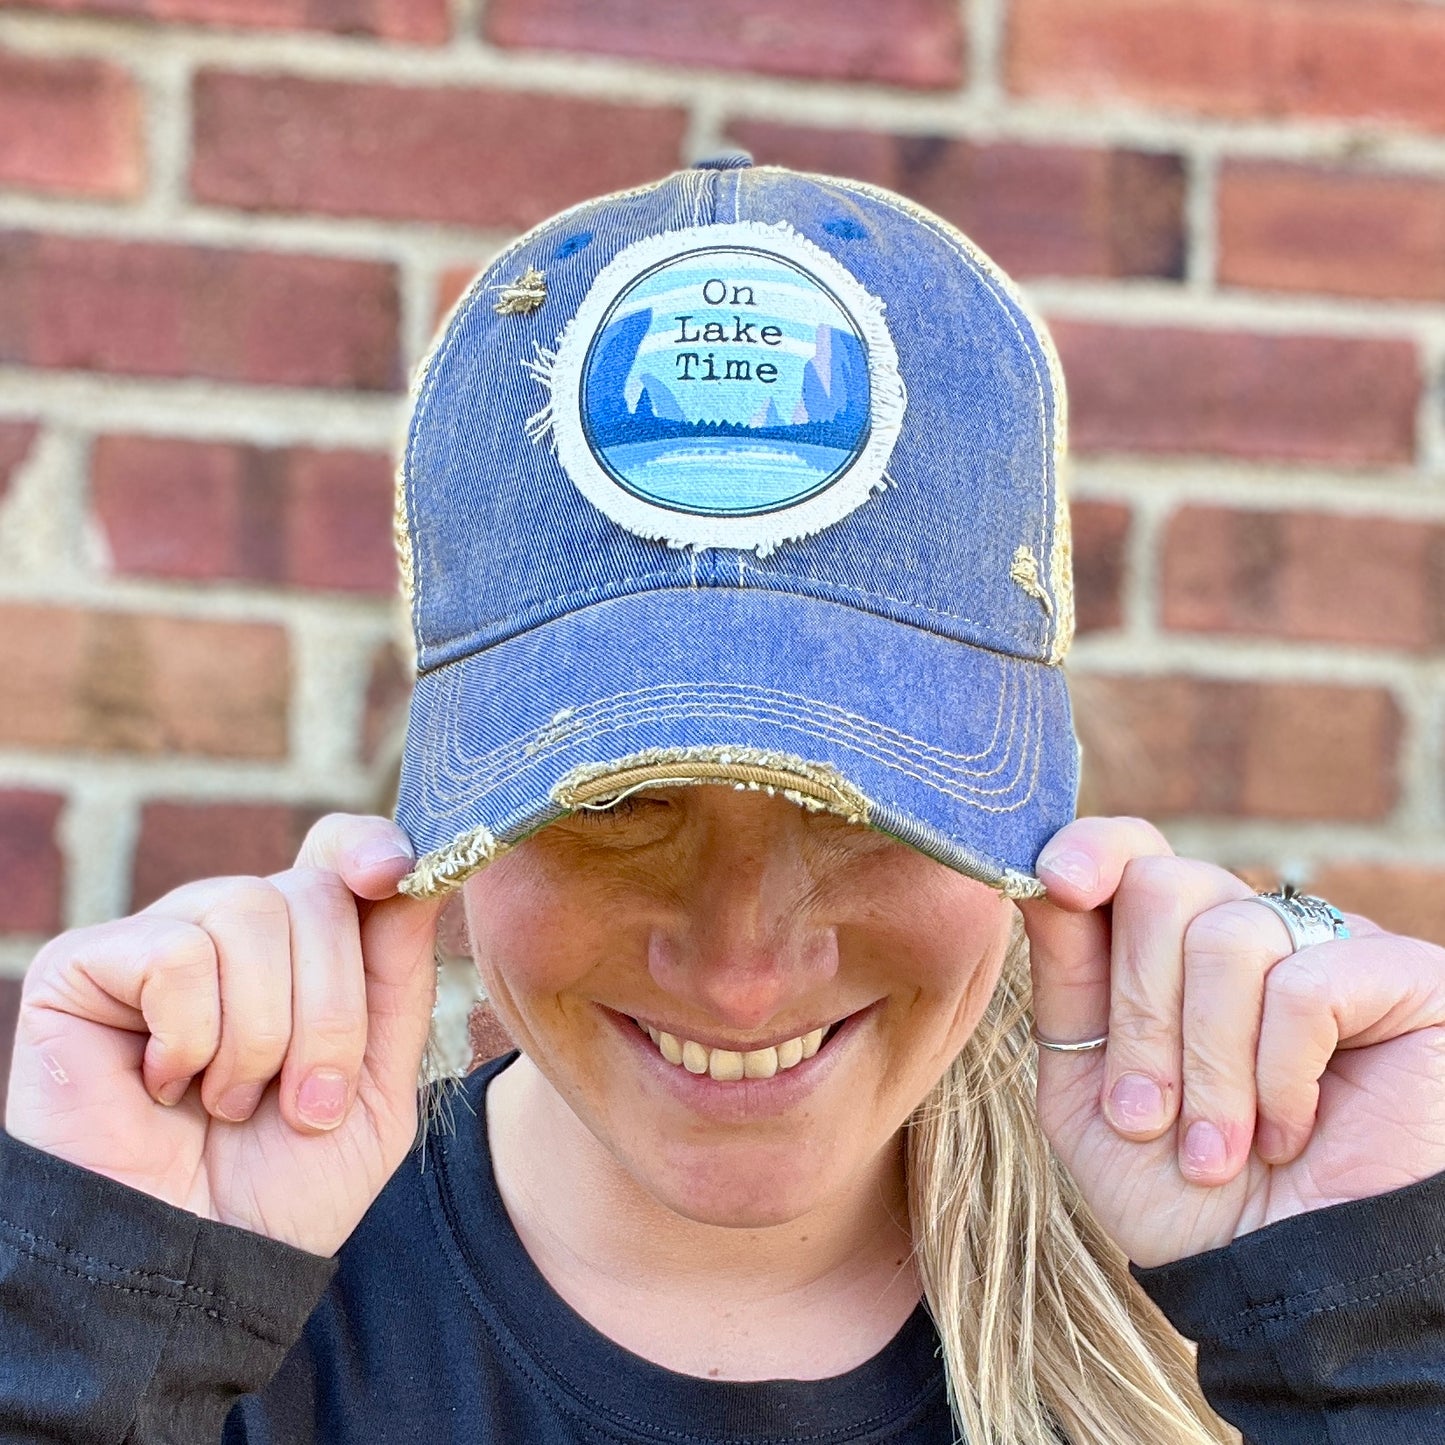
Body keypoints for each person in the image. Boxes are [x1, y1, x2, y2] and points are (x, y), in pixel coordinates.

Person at [3, 156, 1445, 1445]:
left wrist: (1373, 1331)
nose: (746, 964)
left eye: (863, 807)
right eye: (621, 802)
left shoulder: (1233, 1322)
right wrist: (86, 1337)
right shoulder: (207, 1330)